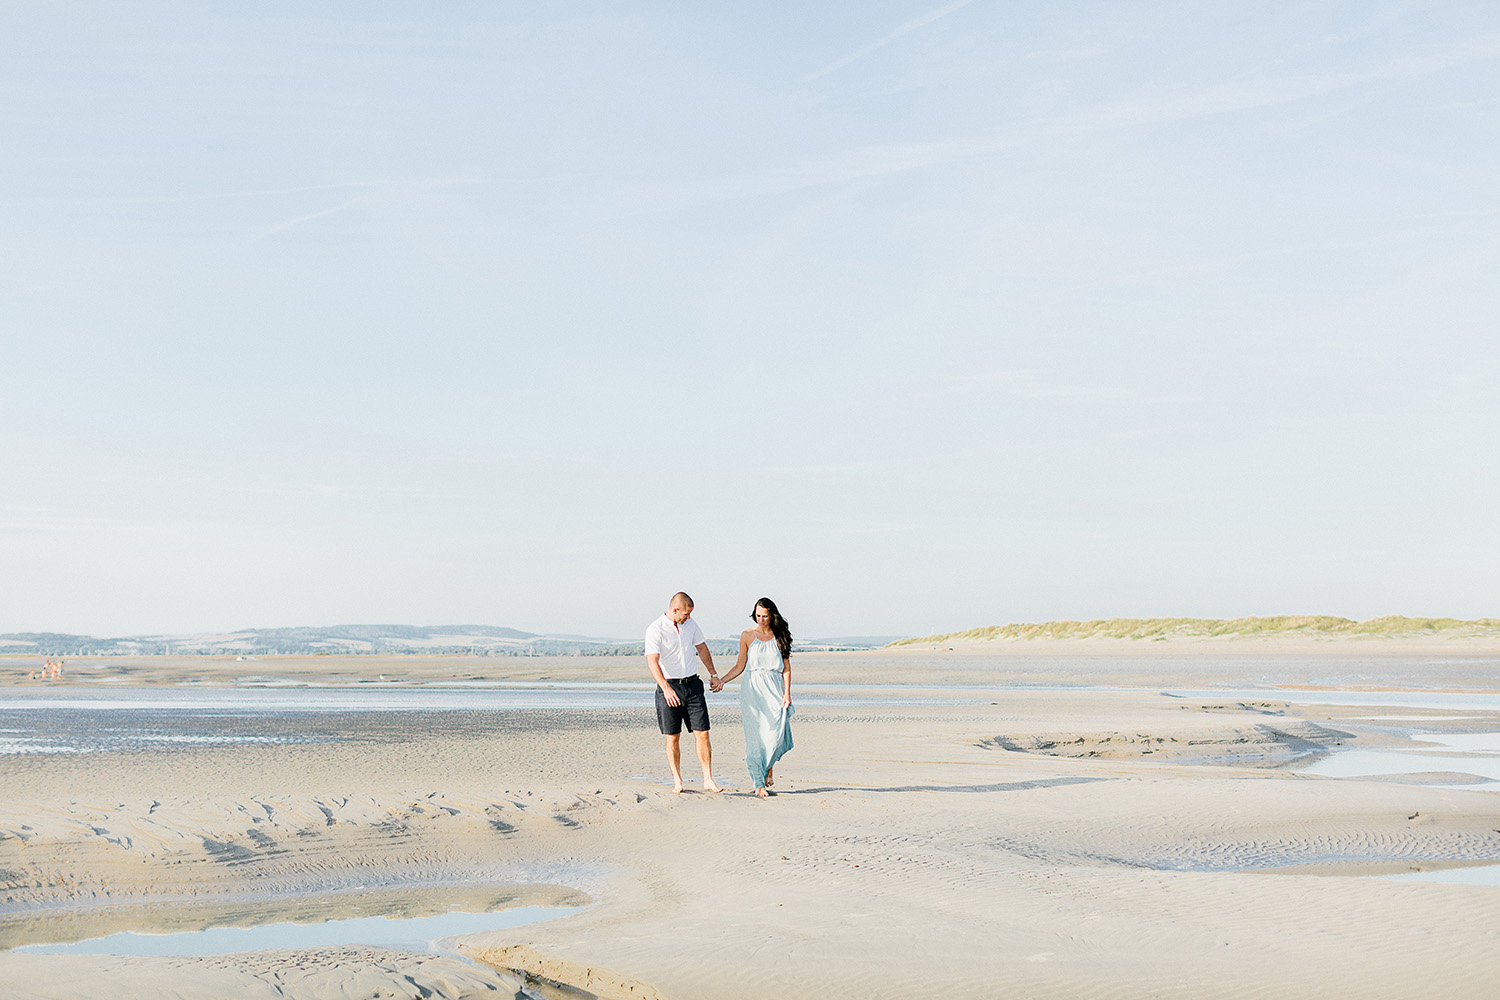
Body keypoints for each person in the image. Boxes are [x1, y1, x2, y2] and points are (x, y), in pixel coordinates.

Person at [645, 592, 723, 794]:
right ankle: (678, 781)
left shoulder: (691, 625)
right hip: (669, 687)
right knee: (673, 737)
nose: (688, 617)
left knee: (703, 733)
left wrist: (713, 674)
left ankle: (708, 779)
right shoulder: (655, 629)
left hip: (693, 685)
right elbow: (652, 662)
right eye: (686, 614)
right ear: (675, 610)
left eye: (690, 614)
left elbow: (703, 649)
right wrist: (666, 688)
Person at [715, 597, 794, 797]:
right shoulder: (747, 636)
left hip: (774, 689)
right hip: (752, 690)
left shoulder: (780, 636)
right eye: (758, 615)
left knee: (775, 736)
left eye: (765, 616)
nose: (760, 619)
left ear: (772, 615)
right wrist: (722, 680)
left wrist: (787, 693)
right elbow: (740, 666)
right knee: (755, 737)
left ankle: (768, 767)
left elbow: (786, 668)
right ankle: (758, 783)